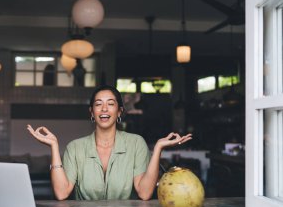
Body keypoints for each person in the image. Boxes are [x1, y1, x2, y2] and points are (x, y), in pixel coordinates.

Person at [27, 85, 192, 200]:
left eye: (110, 104)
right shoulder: (75, 148)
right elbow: (62, 193)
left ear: (119, 111)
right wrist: (54, 147)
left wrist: (158, 149)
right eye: (98, 104)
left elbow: (144, 193)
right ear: (92, 112)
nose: (104, 109)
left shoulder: (136, 144)